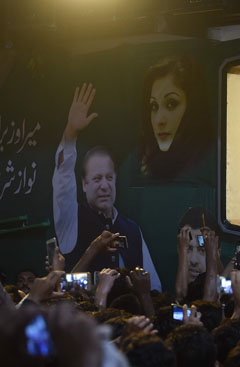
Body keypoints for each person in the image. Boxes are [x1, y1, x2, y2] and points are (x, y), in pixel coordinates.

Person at [52, 83, 162, 291]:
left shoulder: (132, 230)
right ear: (84, 184)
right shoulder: (70, 219)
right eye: (96, 179)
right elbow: (63, 178)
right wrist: (70, 133)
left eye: (109, 178)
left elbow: (154, 287)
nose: (104, 186)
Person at [139, 55, 210, 180]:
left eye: (171, 104)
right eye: (154, 106)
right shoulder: (137, 163)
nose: (159, 120)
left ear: (192, 107)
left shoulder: (210, 163)